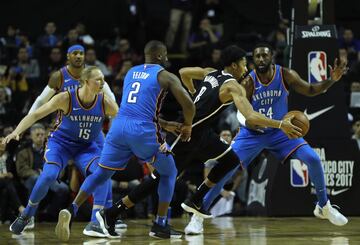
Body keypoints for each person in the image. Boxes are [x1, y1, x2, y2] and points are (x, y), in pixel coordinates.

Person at [95, 45, 301, 234]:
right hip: (186, 134)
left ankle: (195, 199)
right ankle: (113, 213)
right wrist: (281, 124)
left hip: (203, 135)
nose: (247, 69)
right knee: (159, 179)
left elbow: (184, 73)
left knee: (230, 159)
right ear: (234, 65)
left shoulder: (210, 72)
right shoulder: (233, 87)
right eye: (244, 64)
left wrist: (194, 93)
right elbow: (251, 116)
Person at [184, 43, 349, 235]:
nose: (260, 59)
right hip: (252, 134)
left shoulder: (286, 75)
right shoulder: (247, 82)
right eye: (257, 56)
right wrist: (254, 123)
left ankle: (324, 206)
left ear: (272, 57)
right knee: (224, 171)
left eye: (264, 55)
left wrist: (331, 80)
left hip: (281, 132)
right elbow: (241, 113)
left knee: (313, 159)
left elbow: (311, 90)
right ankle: (197, 216)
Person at [55, 40, 195, 241]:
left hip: (118, 126)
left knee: (102, 173)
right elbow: (189, 105)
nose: (166, 59)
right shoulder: (166, 75)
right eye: (165, 55)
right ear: (159, 56)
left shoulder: (131, 72)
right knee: (169, 172)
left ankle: (72, 208)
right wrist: (187, 125)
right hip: (142, 131)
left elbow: (136, 107)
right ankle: (160, 223)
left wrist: (165, 124)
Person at [2, 67, 119, 237]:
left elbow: (124, 120)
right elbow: (35, 115)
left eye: (103, 79)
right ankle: (27, 214)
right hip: (61, 144)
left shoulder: (106, 102)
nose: (103, 83)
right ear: (86, 81)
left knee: (103, 173)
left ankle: (95, 222)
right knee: (49, 175)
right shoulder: (66, 98)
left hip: (86, 146)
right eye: (98, 79)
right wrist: (16, 131)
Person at [27, 44, 121, 235]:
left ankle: (106, 217)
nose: (79, 56)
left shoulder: (94, 76)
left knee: (105, 170)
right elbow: (40, 101)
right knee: (51, 174)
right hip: (66, 132)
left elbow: (111, 100)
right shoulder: (59, 76)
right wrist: (29, 120)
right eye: (75, 53)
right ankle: (29, 215)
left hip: (91, 132)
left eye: (81, 53)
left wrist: (115, 129)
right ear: (68, 56)